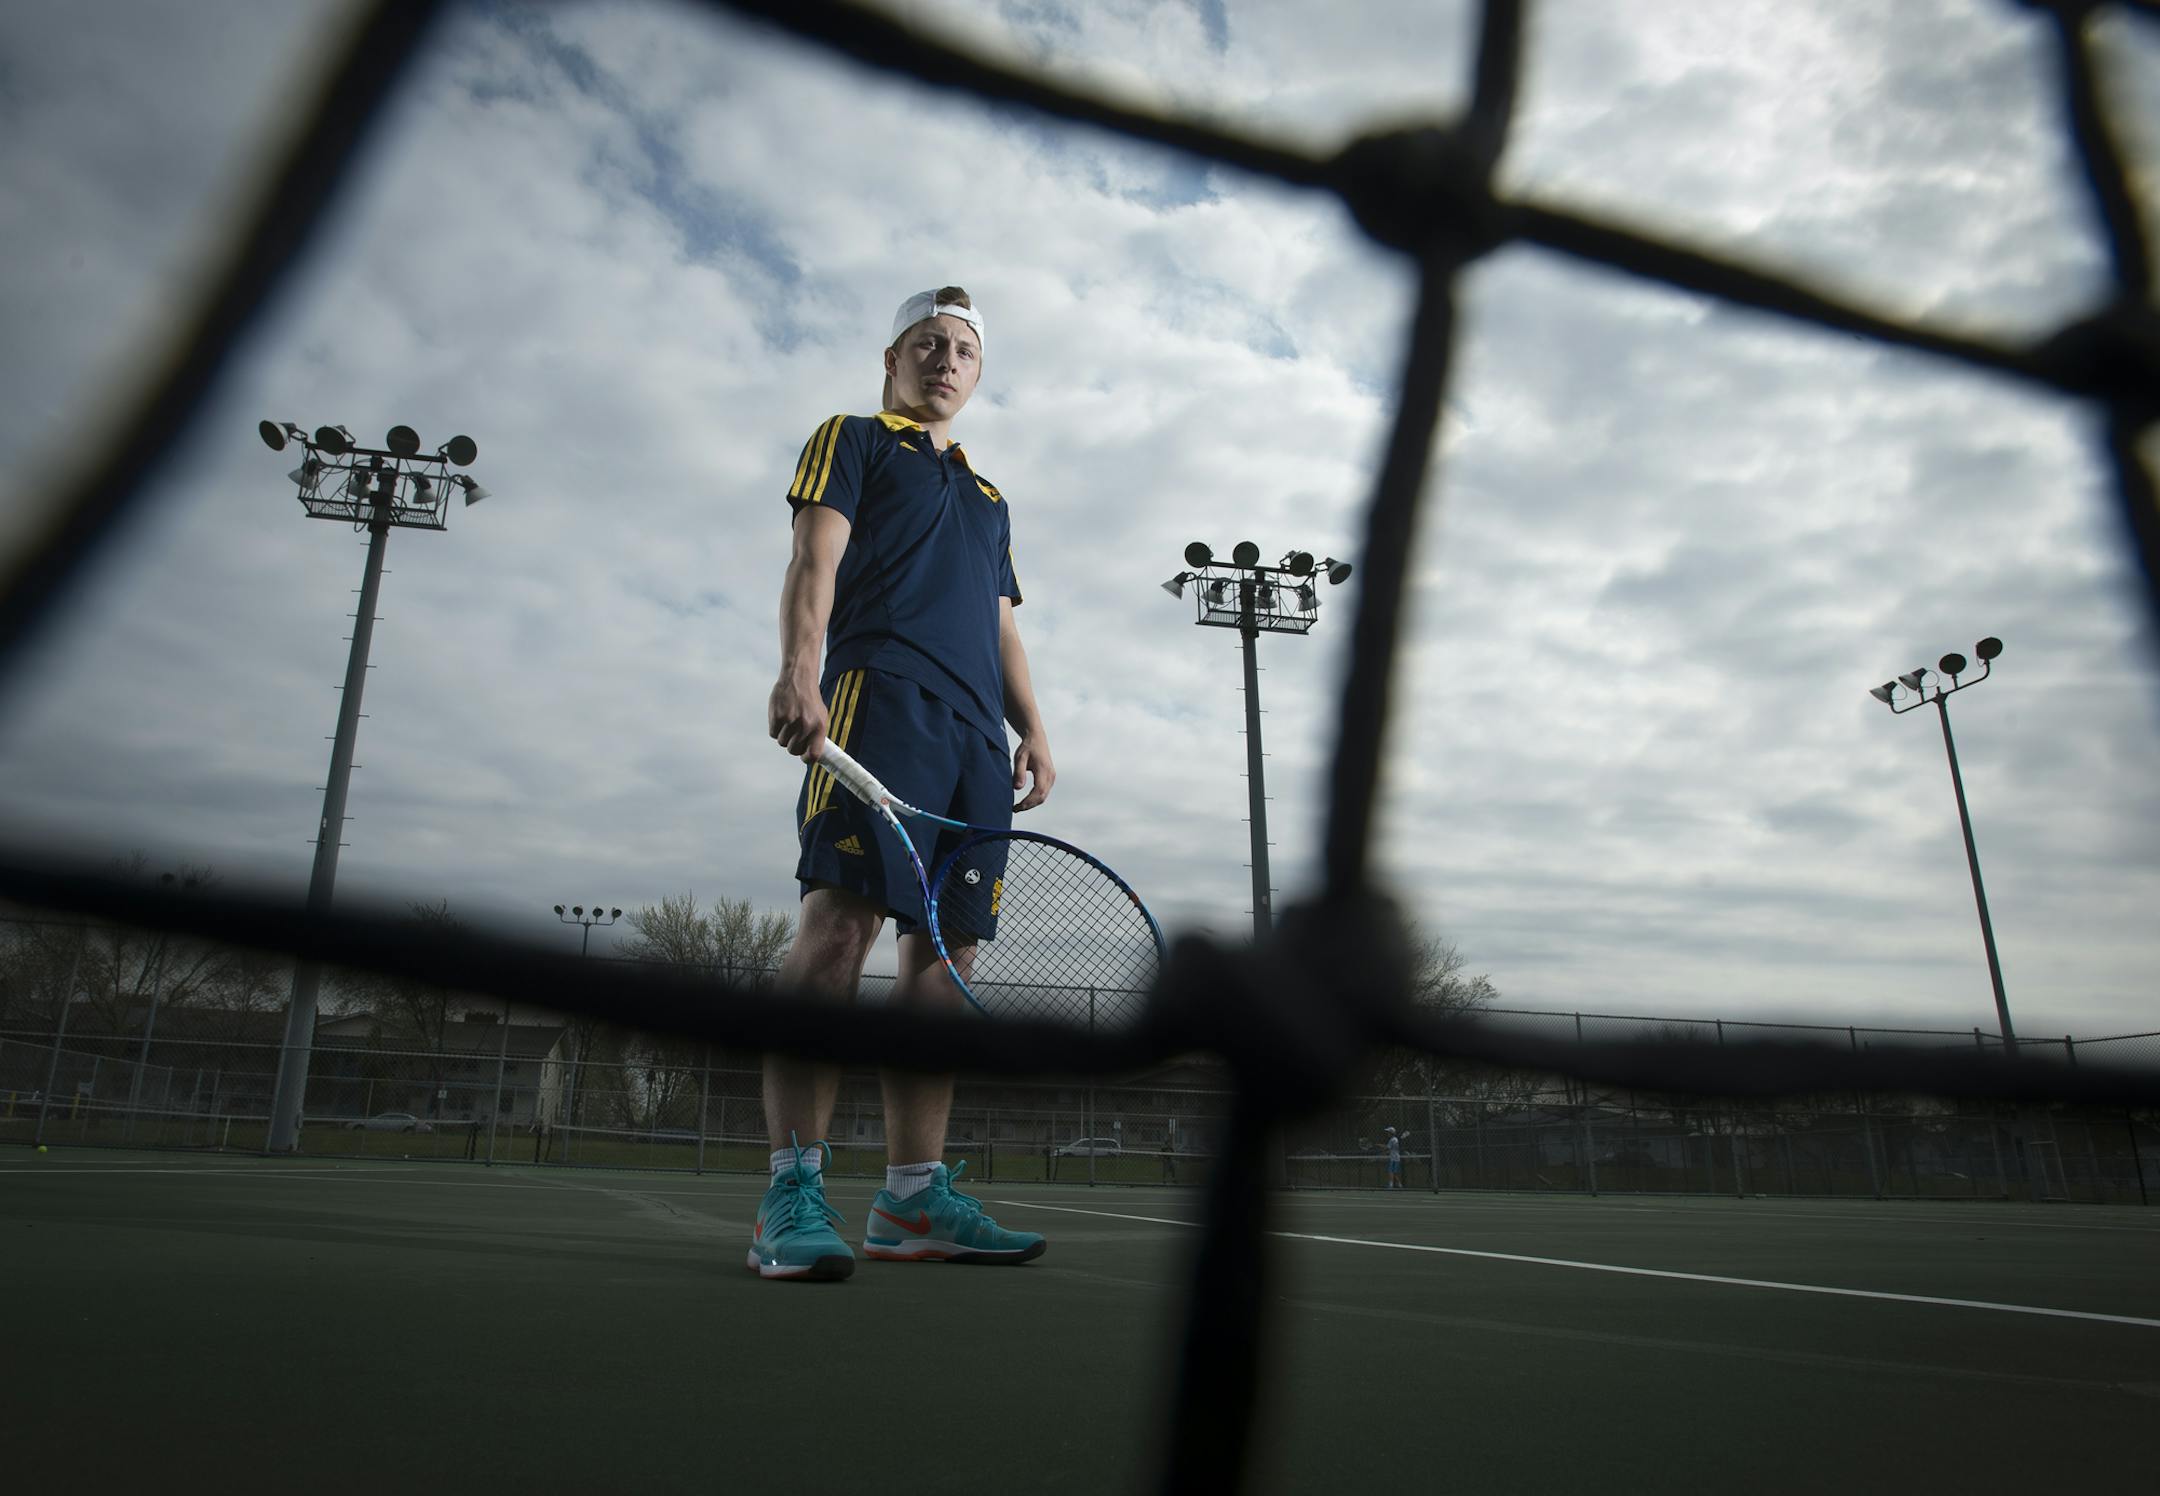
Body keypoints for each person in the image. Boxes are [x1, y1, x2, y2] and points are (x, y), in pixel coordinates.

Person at [754, 287, 1054, 1281]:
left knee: (944, 965)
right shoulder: (852, 438)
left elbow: (1002, 625)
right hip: (879, 700)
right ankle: (790, 1191)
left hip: (976, 744)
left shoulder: (990, 499)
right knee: (840, 928)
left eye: (964, 349)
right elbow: (814, 555)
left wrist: (1033, 728)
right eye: (928, 343)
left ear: (979, 372)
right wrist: (800, 669)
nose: (946, 360)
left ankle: (912, 1201)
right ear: (893, 357)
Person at [1385, 1126, 1403, 1190]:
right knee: (1394, 1172)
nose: (1387, 1133)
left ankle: (1391, 1185)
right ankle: (1399, 1184)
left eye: (1388, 1132)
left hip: (1393, 1158)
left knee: (1390, 1171)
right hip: (1396, 1158)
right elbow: (1390, 1149)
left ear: (1391, 1133)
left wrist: (1380, 1145)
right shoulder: (1396, 1139)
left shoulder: (1392, 1140)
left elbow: (1387, 1148)